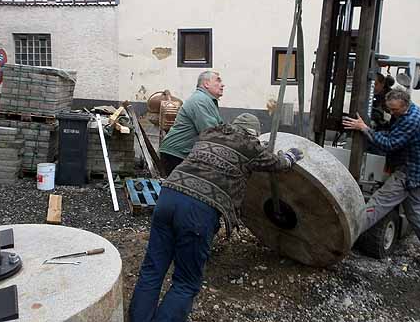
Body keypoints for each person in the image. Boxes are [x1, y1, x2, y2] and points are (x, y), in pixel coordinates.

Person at [129, 113, 304, 322]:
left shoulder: (209, 134)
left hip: (167, 197)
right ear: (254, 134)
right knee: (186, 282)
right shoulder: (251, 147)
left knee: (152, 270)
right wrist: (291, 155)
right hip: (197, 210)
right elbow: (278, 164)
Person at [342, 89, 420, 272]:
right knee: (416, 213)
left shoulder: (411, 120)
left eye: (395, 110)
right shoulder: (407, 112)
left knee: (376, 205)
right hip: (417, 169)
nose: (392, 113)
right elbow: (392, 131)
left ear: (406, 105)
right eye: (390, 109)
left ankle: (341, 237)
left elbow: (390, 144)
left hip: (410, 172)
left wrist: (364, 129)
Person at [159, 71, 224, 175]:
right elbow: (209, 132)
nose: (222, 84)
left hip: (180, 153)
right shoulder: (200, 100)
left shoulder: (206, 100)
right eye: (218, 80)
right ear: (206, 84)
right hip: (176, 154)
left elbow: (218, 128)